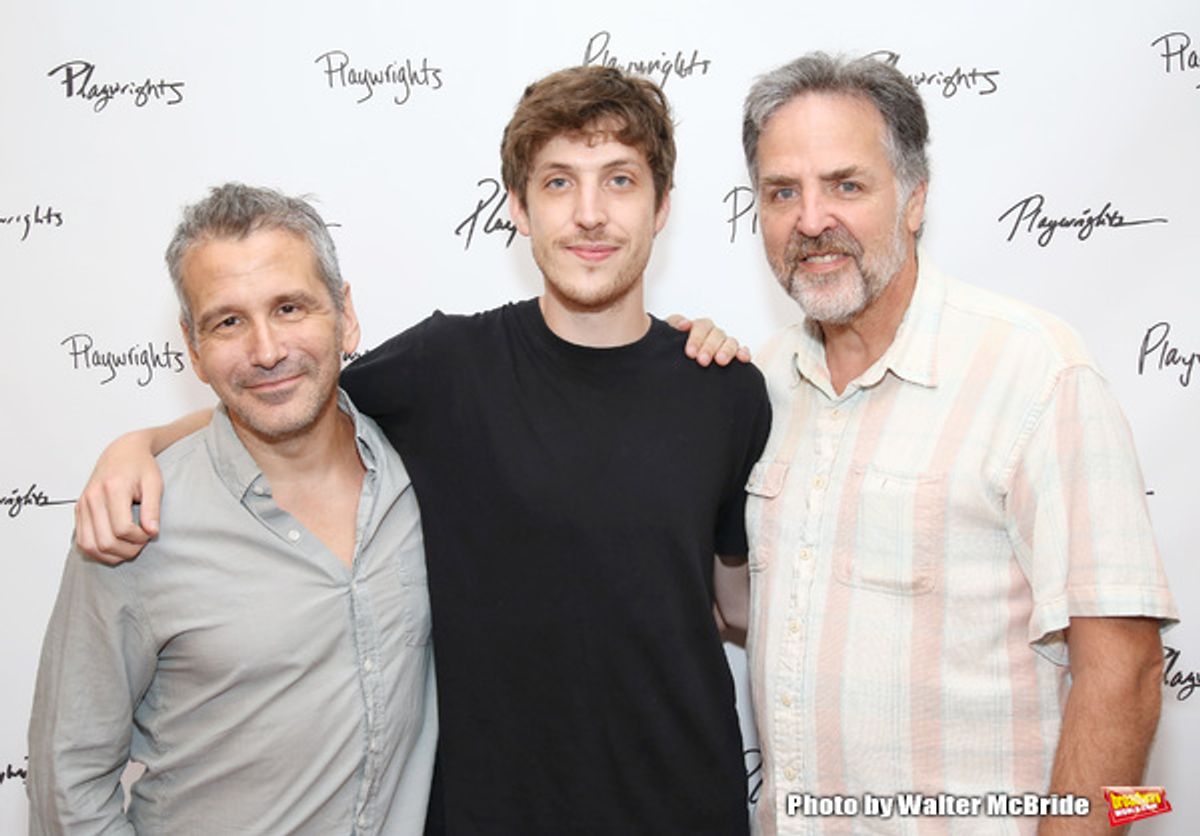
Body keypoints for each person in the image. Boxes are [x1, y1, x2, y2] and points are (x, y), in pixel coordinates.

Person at [68, 66, 770, 834]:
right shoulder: (445, 368)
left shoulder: (724, 391)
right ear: (519, 209)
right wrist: (139, 442)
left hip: (686, 808)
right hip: (490, 815)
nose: (591, 214)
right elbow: (293, 392)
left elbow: (734, 605)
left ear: (663, 206)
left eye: (622, 181)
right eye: (560, 183)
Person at [739, 52, 1178, 834]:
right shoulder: (759, 386)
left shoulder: (1036, 371)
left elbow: (1126, 667)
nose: (811, 220)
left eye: (847, 184)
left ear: (914, 200)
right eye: (782, 192)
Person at [28, 184, 438, 834]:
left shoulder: (424, 463)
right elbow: (68, 785)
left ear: (345, 313)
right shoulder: (135, 524)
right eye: (228, 322)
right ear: (192, 348)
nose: (268, 349)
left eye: (290, 307)